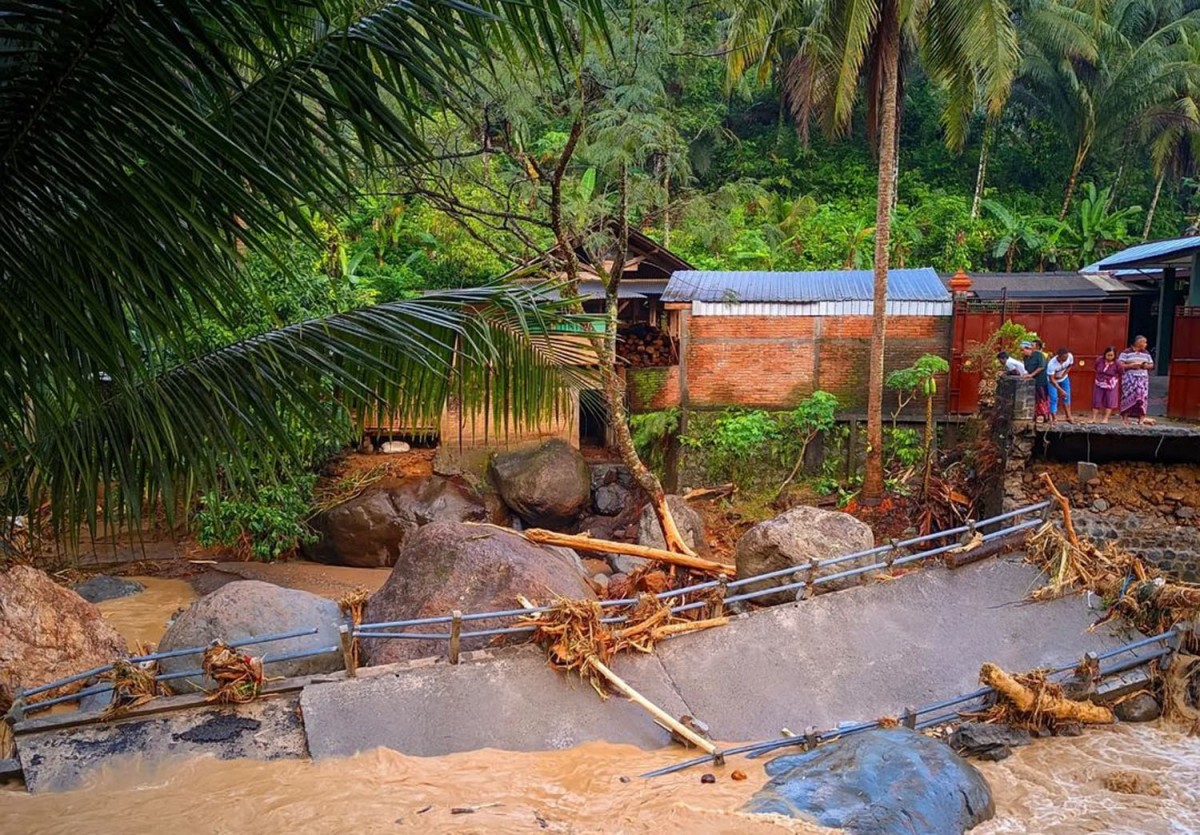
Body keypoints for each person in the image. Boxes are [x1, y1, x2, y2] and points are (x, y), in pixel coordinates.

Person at [1118, 336, 1155, 424]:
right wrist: (1131, 366)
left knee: (1142, 398)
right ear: (1138, 342)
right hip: (1130, 379)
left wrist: (1145, 366)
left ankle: (1141, 418)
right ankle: (1125, 418)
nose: (1146, 344)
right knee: (1128, 396)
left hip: (1142, 378)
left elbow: (1152, 365)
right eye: (1144, 342)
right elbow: (1119, 364)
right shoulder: (1126, 352)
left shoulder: (1146, 353)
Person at [1021, 341, 1050, 422]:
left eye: (1023, 350)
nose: (1023, 352)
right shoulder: (1025, 358)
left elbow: (1041, 367)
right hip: (1032, 382)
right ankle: (1036, 415)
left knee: (1042, 398)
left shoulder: (1039, 355)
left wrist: (1032, 375)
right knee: (1035, 399)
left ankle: (1045, 415)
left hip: (1040, 381)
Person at [1091, 346, 1120, 423]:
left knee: (1109, 400)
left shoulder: (1117, 363)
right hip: (1099, 381)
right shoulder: (1099, 360)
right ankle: (1093, 418)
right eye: (1108, 355)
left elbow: (1121, 372)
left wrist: (1113, 379)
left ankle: (1105, 418)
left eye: (1111, 355)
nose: (1109, 357)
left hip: (1111, 383)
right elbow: (1095, 368)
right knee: (1096, 399)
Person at [1046, 347, 1075, 424]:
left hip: (1064, 378)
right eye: (1063, 358)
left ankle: (1068, 416)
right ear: (1058, 356)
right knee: (1054, 398)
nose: (1064, 360)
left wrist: (1063, 375)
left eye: (1066, 358)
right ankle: (1054, 418)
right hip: (1052, 381)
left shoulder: (1070, 357)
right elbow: (1052, 380)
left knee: (1067, 396)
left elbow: (1070, 365)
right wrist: (1061, 390)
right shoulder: (1051, 364)